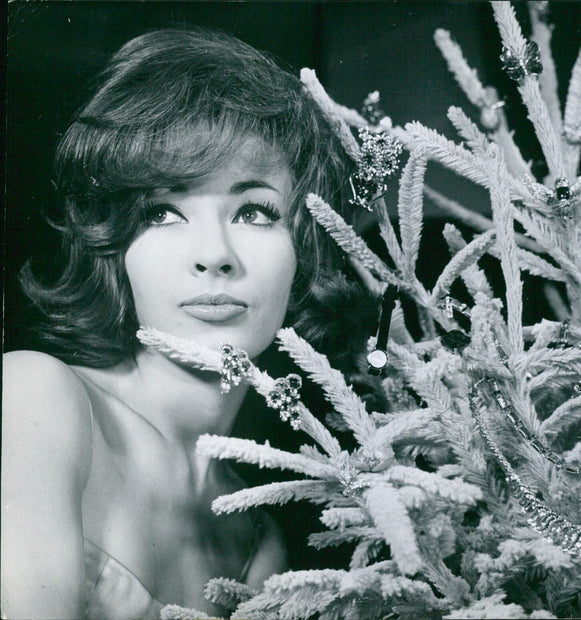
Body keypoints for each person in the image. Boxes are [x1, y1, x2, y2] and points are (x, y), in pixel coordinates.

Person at [1, 27, 365, 619]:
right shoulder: (34, 394)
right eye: (164, 212)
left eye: (254, 211)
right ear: (115, 249)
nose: (214, 254)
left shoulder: (255, 542)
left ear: (305, 252)